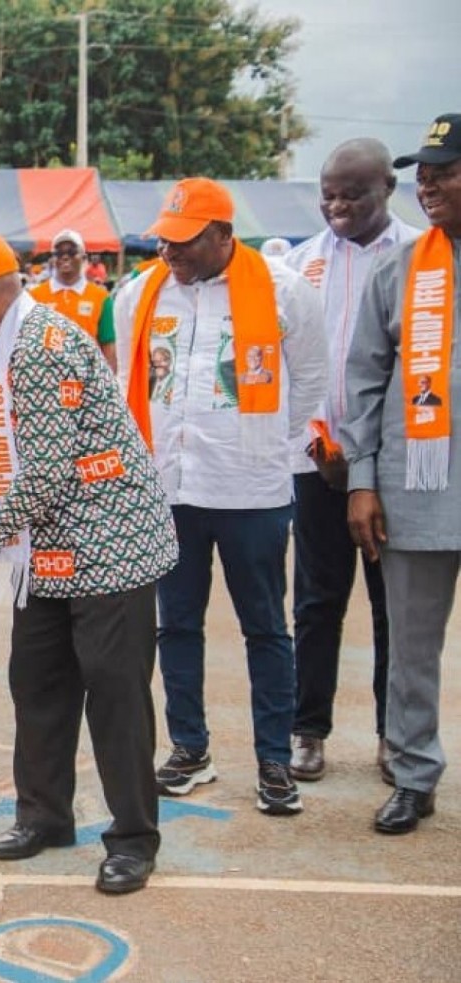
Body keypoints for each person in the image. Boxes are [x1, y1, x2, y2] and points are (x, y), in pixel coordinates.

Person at [0, 231, 178, 895]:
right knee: (37, 682)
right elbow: (28, 465)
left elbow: (49, 474)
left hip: (106, 547)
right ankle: (44, 815)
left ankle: (133, 837)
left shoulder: (38, 345)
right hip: (50, 551)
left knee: (115, 695)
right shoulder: (14, 341)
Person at [114, 177, 326, 816]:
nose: (169, 252)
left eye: (183, 241)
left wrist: (261, 444)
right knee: (175, 624)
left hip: (252, 490)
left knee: (264, 627)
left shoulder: (285, 291)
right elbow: (135, 384)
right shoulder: (139, 296)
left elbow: (311, 385)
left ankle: (273, 761)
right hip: (171, 490)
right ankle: (190, 748)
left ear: (222, 236)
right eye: (164, 239)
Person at [284, 137, 420, 785]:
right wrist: (317, 439)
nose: (336, 205)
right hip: (318, 461)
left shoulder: (421, 256)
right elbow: (298, 363)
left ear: (386, 189)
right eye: (328, 193)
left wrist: (368, 457)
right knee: (316, 601)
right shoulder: (300, 263)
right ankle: (308, 730)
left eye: (352, 194)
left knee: (394, 603)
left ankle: (395, 737)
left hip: (394, 468)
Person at [344, 112, 461, 835]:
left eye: (444, 171)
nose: (428, 185)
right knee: (411, 647)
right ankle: (413, 773)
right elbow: (363, 379)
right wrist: (362, 478)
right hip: (418, 489)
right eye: (423, 174)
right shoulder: (398, 270)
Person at [29, 230, 114, 371]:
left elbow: (108, 345)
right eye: (59, 253)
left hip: (86, 380)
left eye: (71, 252)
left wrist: (109, 386)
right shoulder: (35, 296)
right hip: (47, 381)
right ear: (53, 258)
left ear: (83, 257)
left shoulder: (100, 297)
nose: (65, 257)